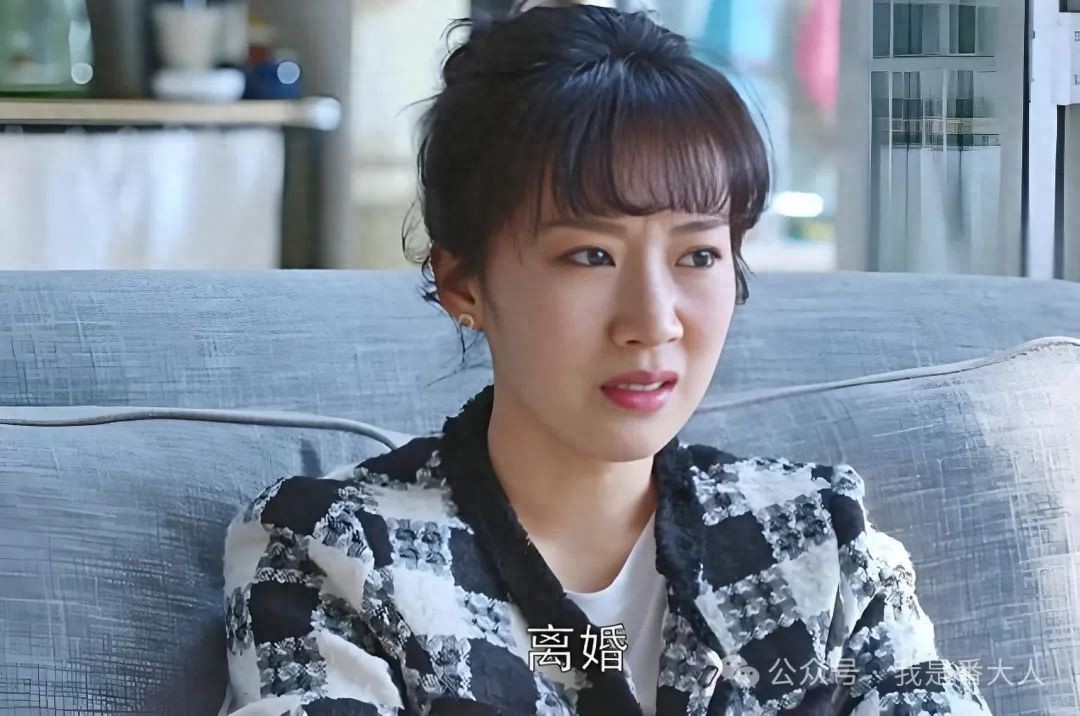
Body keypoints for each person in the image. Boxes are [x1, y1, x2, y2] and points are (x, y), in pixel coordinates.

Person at [221, 4, 993, 715]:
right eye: (590, 255)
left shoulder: (819, 537)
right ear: (463, 283)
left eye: (697, 255)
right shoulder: (334, 548)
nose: (653, 321)